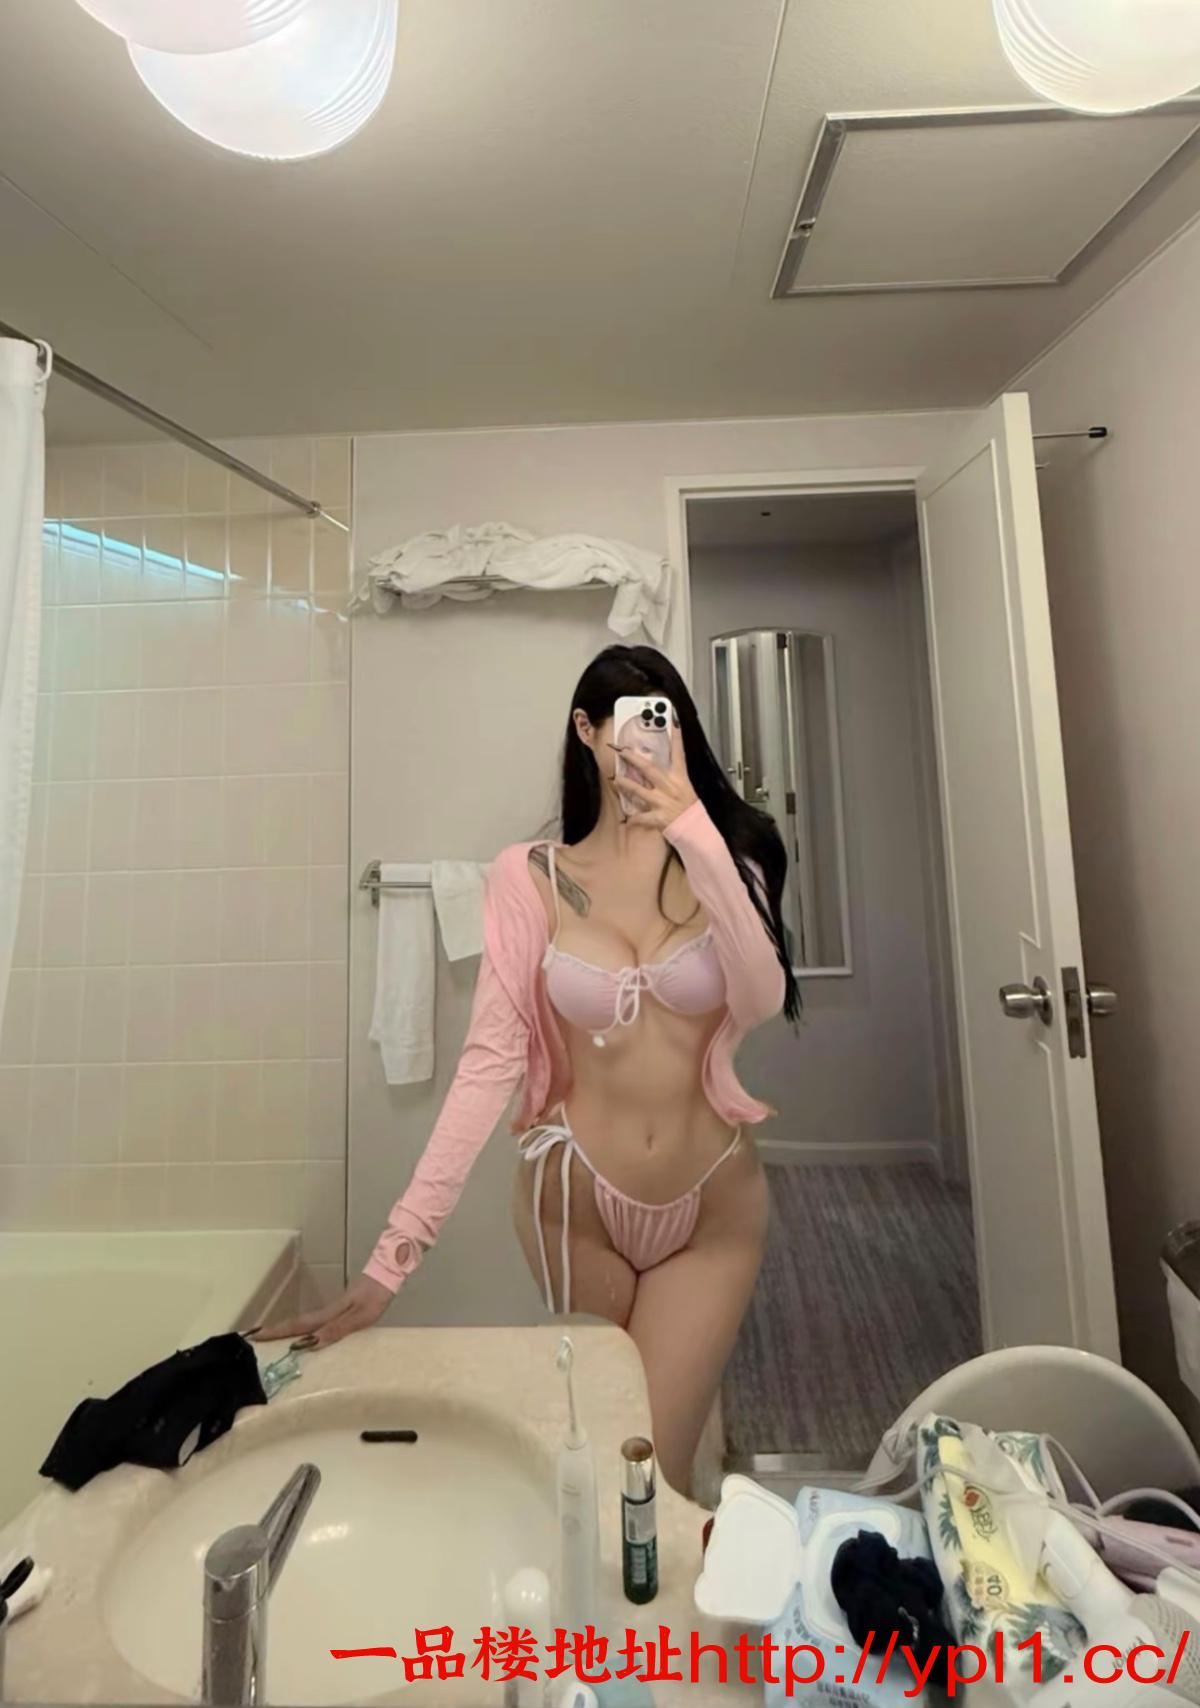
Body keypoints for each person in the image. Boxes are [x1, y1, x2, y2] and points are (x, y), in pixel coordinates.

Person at [261, 644, 798, 1491]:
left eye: (664, 722)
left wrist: (694, 828)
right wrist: (392, 1259)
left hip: (714, 1205)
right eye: (627, 724)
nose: (646, 741)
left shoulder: (732, 856)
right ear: (586, 730)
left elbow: (763, 996)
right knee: (603, 1456)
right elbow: (489, 1063)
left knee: (658, 1474)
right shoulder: (531, 876)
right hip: (576, 1207)